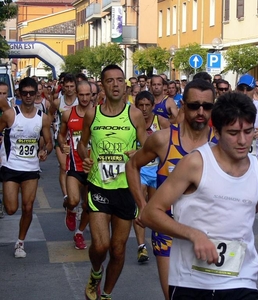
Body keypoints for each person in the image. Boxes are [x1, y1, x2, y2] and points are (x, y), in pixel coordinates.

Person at [140, 92, 258, 299]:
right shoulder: (196, 163)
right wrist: (194, 234)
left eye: (248, 131)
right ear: (216, 131)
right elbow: (150, 214)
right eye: (233, 133)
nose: (243, 140)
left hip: (241, 280)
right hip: (191, 282)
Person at [126, 79, 218, 300]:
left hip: (208, 233)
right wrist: (142, 206)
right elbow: (132, 165)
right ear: (183, 106)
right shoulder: (163, 140)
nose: (201, 112)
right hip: (167, 229)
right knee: (173, 296)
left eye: (207, 106)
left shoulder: (220, 142)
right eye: (195, 105)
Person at [77, 65, 147, 300]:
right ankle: (96, 272)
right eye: (110, 81)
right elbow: (82, 145)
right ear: (103, 86)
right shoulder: (92, 114)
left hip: (126, 189)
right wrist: (86, 159)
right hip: (99, 186)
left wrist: (137, 155)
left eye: (119, 80)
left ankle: (106, 293)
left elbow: (147, 148)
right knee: (100, 246)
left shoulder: (134, 114)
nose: (116, 85)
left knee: (118, 250)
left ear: (125, 85)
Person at [0, 77, 53, 258]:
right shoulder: (10, 115)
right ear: (20, 95)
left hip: (31, 168)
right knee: (11, 209)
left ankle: (20, 243)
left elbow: (49, 143)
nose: (29, 96)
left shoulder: (42, 118)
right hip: (11, 166)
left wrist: (44, 150)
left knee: (28, 207)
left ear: (36, 94)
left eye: (32, 93)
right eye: (25, 93)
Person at [132, 91, 169, 264]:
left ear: (153, 106)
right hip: (140, 170)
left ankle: (155, 238)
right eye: (141, 105)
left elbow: (171, 145)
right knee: (141, 206)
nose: (145, 109)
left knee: (154, 210)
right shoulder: (132, 121)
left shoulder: (160, 121)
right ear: (136, 106)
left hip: (157, 170)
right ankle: (141, 247)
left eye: (148, 105)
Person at [58, 81, 93, 250]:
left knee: (88, 205)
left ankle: (79, 233)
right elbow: (61, 134)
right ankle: (70, 210)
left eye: (88, 95)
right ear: (77, 95)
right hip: (74, 166)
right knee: (73, 200)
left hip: (92, 168)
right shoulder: (67, 114)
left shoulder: (98, 114)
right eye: (82, 95)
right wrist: (63, 144)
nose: (85, 98)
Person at [48, 74, 78, 206]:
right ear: (63, 87)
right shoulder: (58, 102)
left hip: (77, 139)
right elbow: (50, 113)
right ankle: (66, 196)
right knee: (64, 166)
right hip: (61, 138)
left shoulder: (81, 100)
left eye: (72, 86)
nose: (70, 89)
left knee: (76, 169)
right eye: (67, 86)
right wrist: (51, 126)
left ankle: (75, 194)